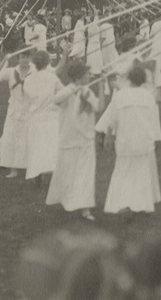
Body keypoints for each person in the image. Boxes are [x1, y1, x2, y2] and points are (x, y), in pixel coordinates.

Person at [97, 65, 161, 214]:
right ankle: (140, 203)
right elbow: (152, 119)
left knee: (123, 171)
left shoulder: (120, 96)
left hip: (125, 141)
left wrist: (108, 136)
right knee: (141, 172)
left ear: (129, 79)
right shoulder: (148, 96)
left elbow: (112, 120)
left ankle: (124, 202)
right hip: (143, 141)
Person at [46, 61, 104, 221]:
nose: (89, 76)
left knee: (86, 175)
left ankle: (86, 209)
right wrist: (73, 90)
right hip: (69, 140)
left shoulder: (87, 91)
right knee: (68, 174)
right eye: (86, 74)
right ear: (78, 76)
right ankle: (68, 201)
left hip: (86, 139)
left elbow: (99, 107)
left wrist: (100, 87)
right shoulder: (67, 91)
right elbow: (56, 100)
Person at [24, 49, 67, 184]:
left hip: (34, 117)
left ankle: (37, 174)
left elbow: (27, 97)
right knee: (52, 147)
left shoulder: (28, 79)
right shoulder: (51, 77)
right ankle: (55, 175)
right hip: (50, 117)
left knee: (36, 148)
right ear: (48, 62)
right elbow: (63, 93)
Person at [0, 49, 34, 178]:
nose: (25, 60)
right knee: (11, 138)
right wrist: (5, 60)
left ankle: (29, 166)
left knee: (28, 138)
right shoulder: (10, 71)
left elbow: (55, 73)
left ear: (31, 58)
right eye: (22, 57)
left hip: (29, 110)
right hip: (14, 110)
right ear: (18, 58)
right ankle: (13, 169)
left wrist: (65, 55)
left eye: (27, 57)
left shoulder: (35, 72)